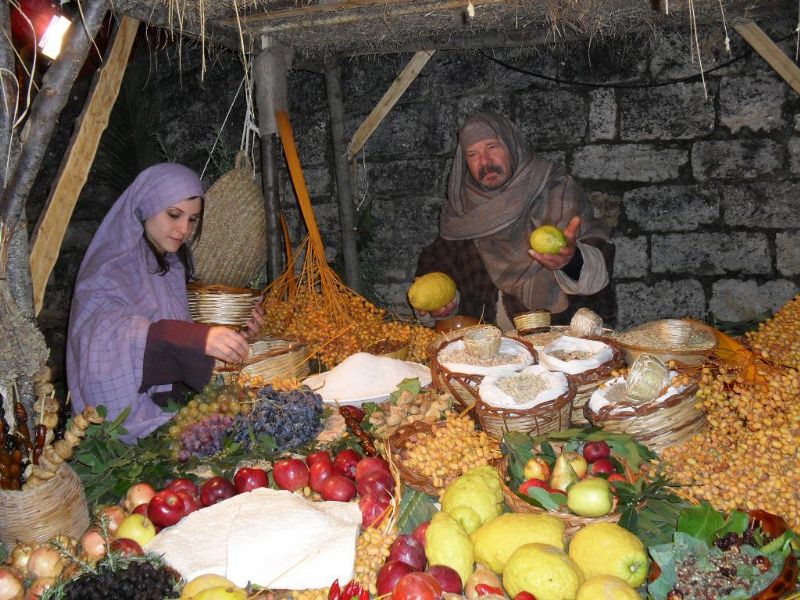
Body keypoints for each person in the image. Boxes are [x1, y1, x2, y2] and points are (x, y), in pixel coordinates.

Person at [66, 163, 264, 443]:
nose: (183, 229)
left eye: (193, 219)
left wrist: (237, 336)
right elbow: (101, 341)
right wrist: (196, 338)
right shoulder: (109, 269)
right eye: (174, 215)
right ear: (146, 207)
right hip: (128, 419)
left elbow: (175, 338)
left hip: (171, 407)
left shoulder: (169, 265)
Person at [414, 112, 613, 330]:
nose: (485, 162)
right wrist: (445, 306)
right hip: (490, 352)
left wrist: (571, 261)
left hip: (561, 345)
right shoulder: (462, 212)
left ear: (512, 145)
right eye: (472, 154)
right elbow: (438, 269)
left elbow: (599, 265)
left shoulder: (556, 190)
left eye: (492, 147)